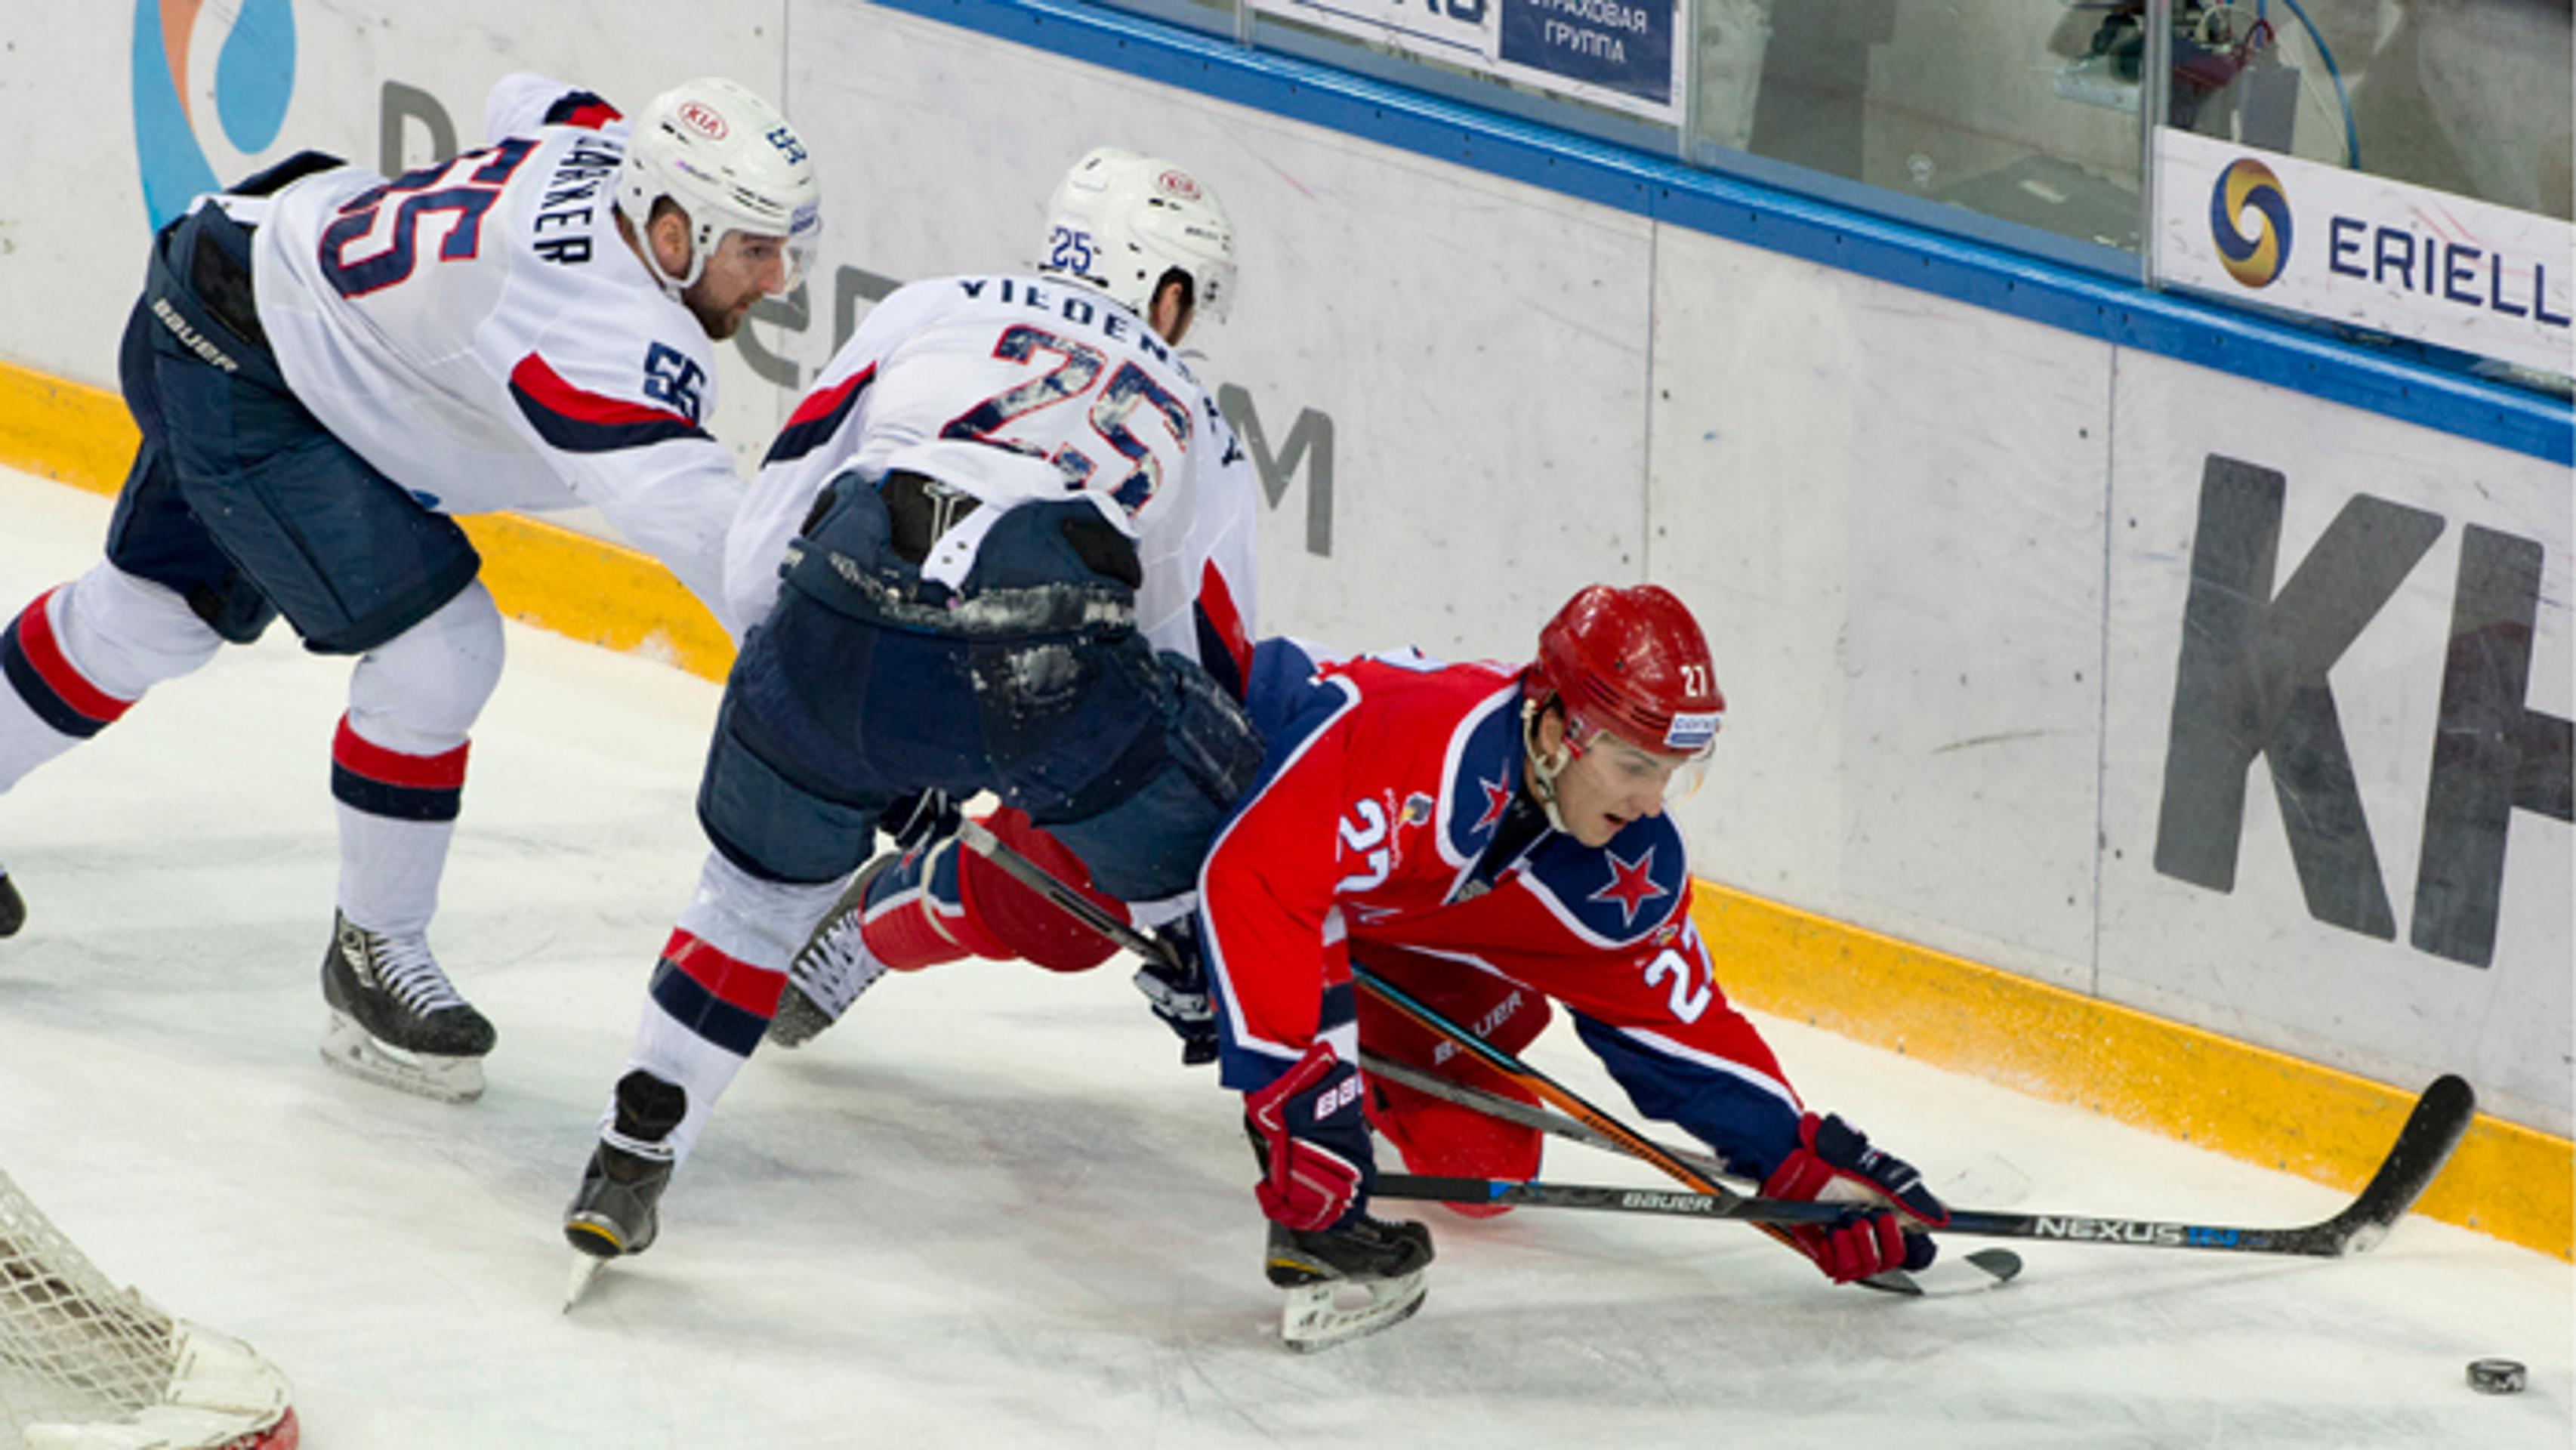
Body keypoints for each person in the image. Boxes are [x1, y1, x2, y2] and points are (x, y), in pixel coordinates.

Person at [0, 73, 821, 1103]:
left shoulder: (606, 155)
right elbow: (717, 547)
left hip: (247, 273)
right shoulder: (599, 336)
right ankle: (373, 955)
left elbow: (529, 96)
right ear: (669, 230)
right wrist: (839, 708)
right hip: (250, 360)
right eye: (754, 247)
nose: (778, 277)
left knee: (142, 622)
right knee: (443, 650)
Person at [562, 147, 1263, 1270]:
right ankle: (1290, 1132)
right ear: (1167, 291)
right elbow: (1206, 662)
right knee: (1209, 855)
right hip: (1049, 659)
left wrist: (832, 709)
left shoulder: (927, 308)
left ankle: (633, 1148)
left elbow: (765, 539)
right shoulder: (1203, 420)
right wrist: (1183, 879)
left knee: (747, 904)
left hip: (844, 614)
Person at [1198, 584, 1951, 1347]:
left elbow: (1677, 1029)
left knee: (1484, 1163)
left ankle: (1363, 1049)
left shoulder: (1623, 863)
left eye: (1673, 770)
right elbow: (1258, 881)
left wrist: (1798, 1164)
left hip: (1372, 913)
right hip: (1230, 802)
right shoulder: (1427, 749)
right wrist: (1301, 1096)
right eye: (1633, 764)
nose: (1652, 800)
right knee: (1074, 937)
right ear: (1557, 726)